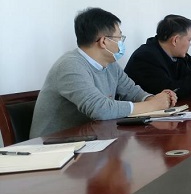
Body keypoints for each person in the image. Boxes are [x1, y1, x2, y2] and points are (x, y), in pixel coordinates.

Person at [29, 8, 176, 138]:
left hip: (89, 140)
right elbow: (101, 110)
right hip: (52, 148)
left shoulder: (110, 65)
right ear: (104, 41)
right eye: (120, 38)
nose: (122, 43)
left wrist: (156, 98)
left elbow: (132, 91)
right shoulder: (70, 65)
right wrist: (153, 105)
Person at [125, 15, 191, 98]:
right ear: (175, 40)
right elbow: (170, 91)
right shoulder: (145, 57)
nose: (190, 44)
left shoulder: (179, 56)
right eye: (189, 40)